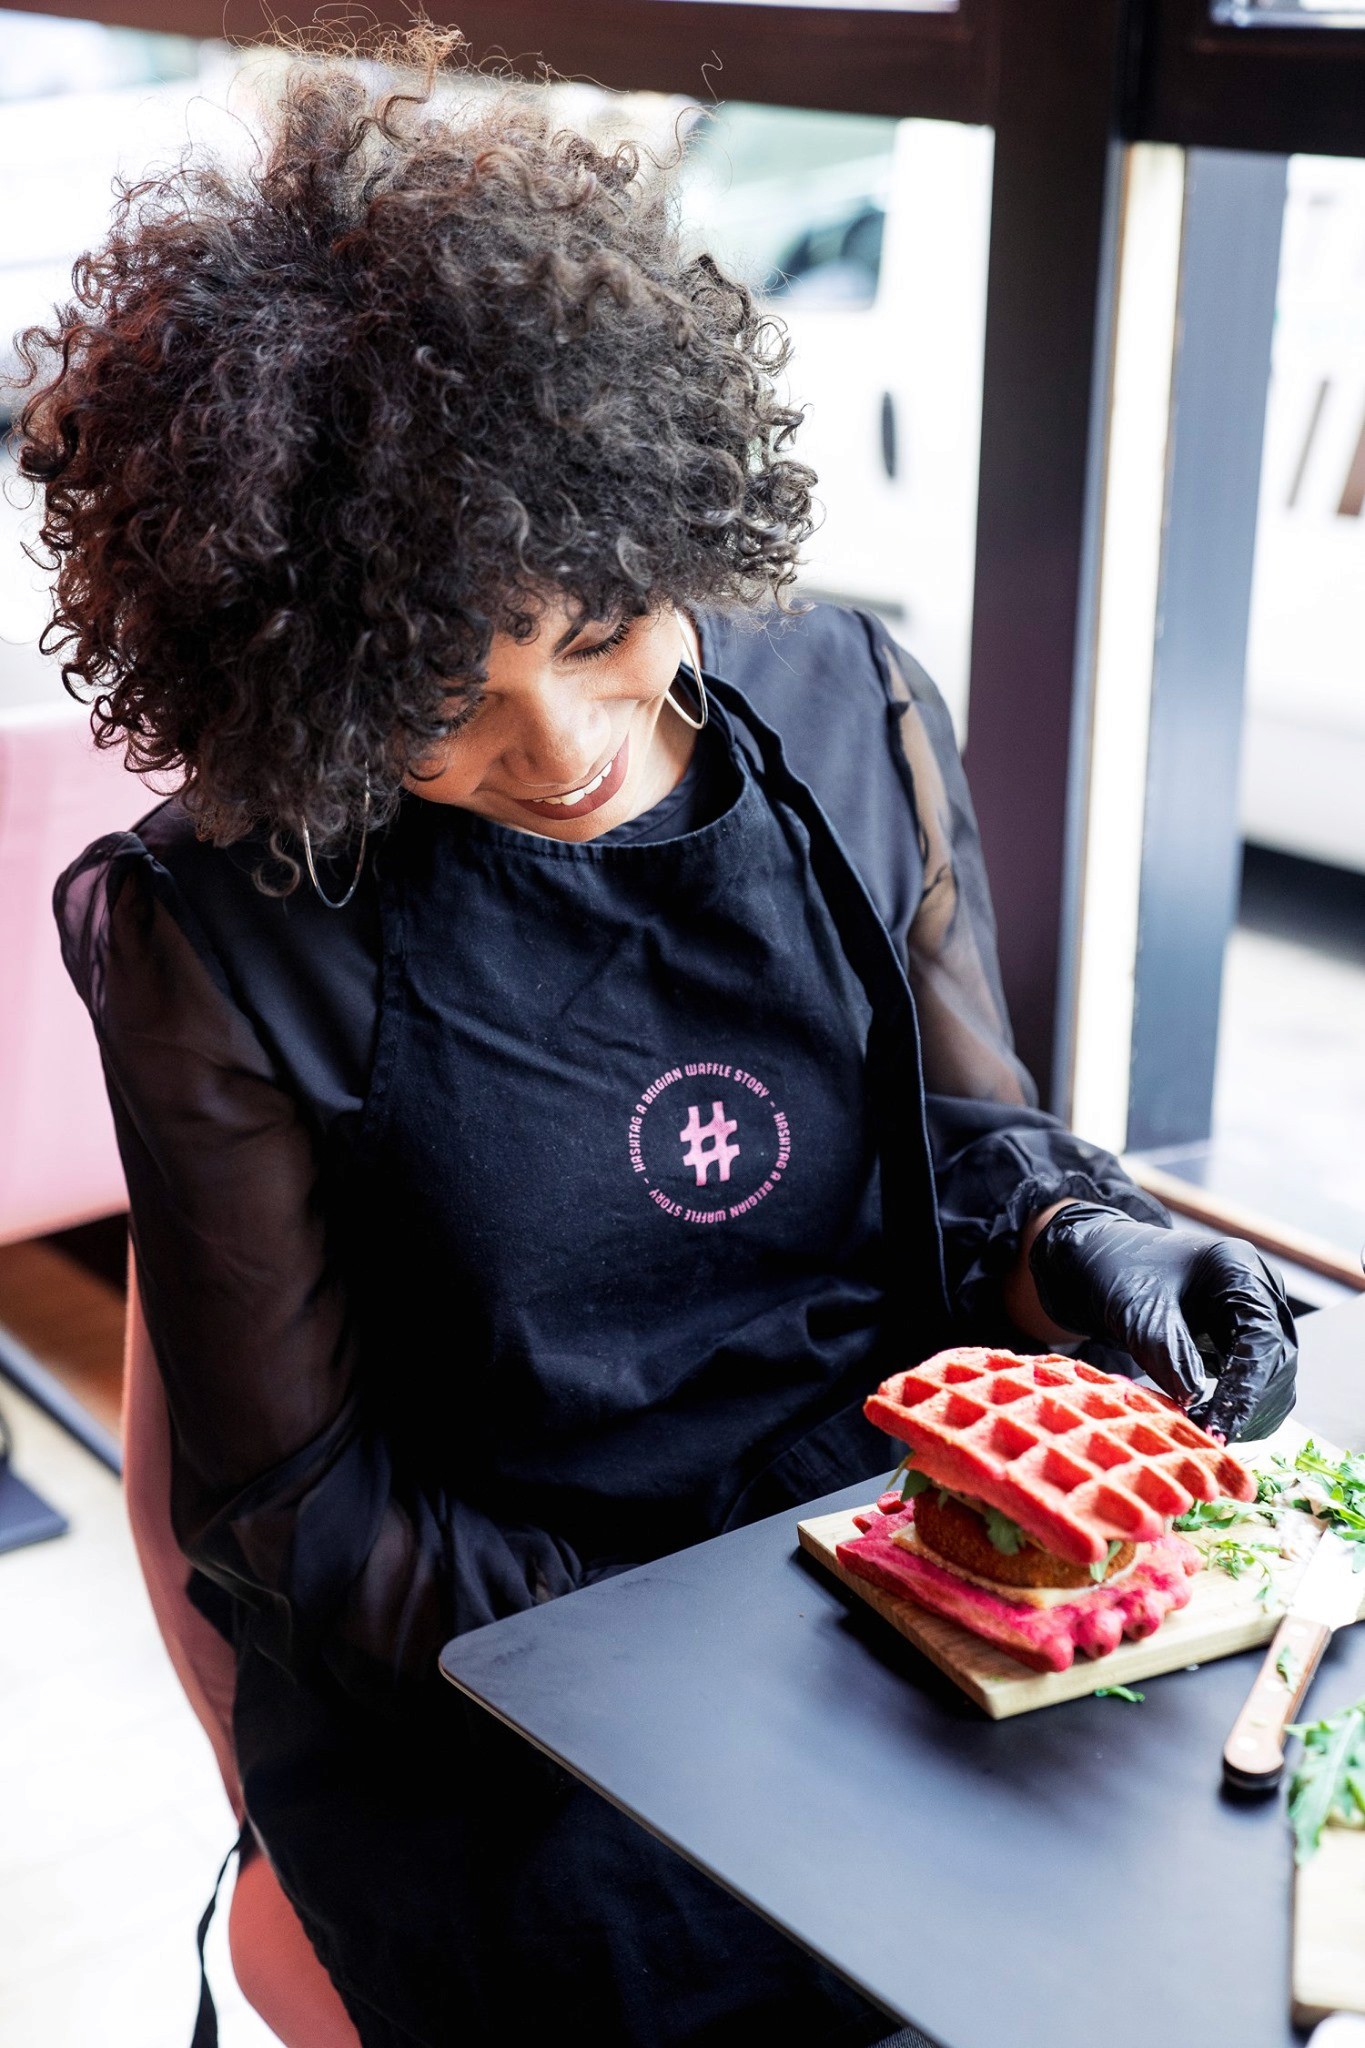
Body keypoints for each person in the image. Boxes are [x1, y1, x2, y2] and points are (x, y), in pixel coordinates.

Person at [22, 34, 1296, 2048]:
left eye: (608, 630)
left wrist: (1086, 1249)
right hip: (507, 1684)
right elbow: (305, 1520)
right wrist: (706, 1667)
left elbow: (964, 1148)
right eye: (444, 692)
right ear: (301, 661)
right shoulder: (228, 928)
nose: (565, 749)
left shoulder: (850, 708)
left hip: (899, 1575)